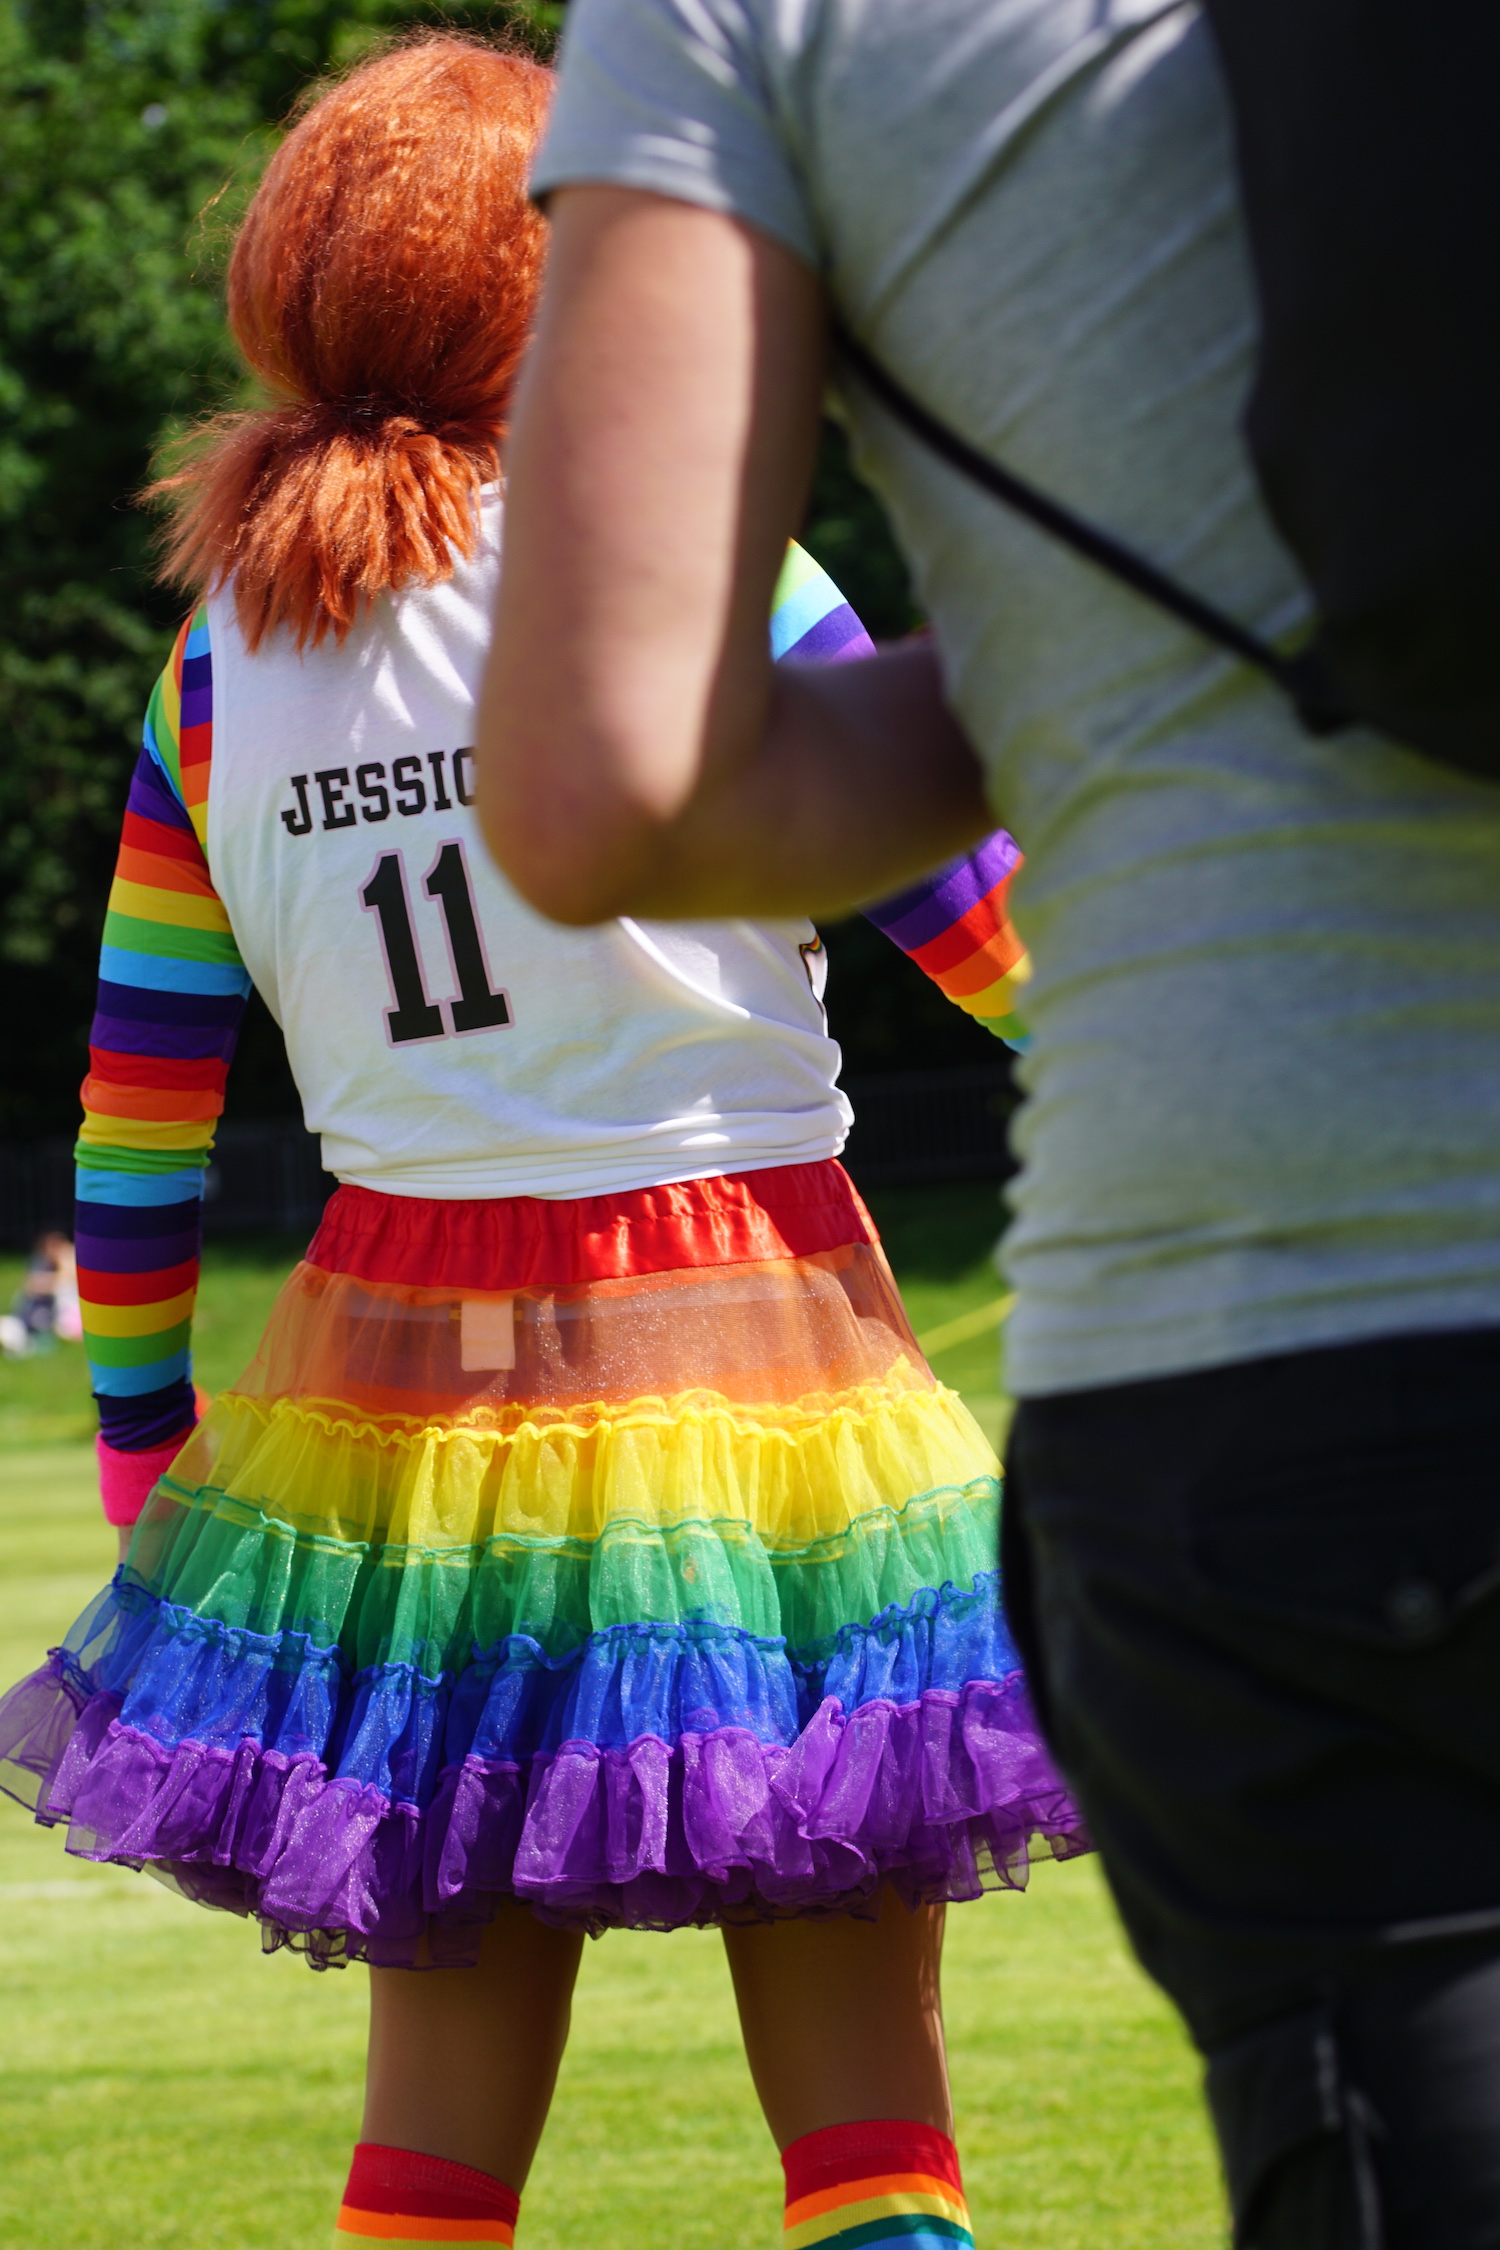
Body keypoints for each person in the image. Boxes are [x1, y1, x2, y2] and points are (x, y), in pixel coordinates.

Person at [0, 34, 1077, 2250]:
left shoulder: (215, 666)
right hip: (763, 1348)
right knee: (869, 2121)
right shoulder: (708, 566)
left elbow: (136, 1125)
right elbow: (1000, 948)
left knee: (433, 2146)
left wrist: (145, 1450)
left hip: (396, 1419)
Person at [472, 3, 1500, 2244]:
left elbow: (607, 781)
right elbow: (968, 947)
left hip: (1299, 1334)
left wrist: (1082, 684)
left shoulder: (757, 25)